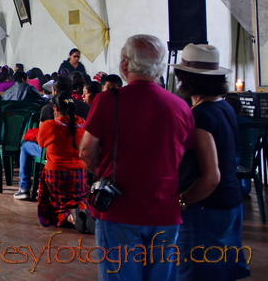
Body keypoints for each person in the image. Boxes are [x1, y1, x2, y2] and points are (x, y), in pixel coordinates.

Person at [79, 34, 195, 281]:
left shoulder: (109, 100)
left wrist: (102, 174)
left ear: (124, 65)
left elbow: (86, 151)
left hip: (119, 207)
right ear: (161, 68)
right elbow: (184, 154)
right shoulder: (180, 106)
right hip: (165, 208)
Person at [173, 44, 247, 281]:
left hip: (206, 209)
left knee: (198, 273)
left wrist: (182, 201)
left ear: (186, 79)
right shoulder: (223, 107)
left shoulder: (201, 116)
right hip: (230, 203)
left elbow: (210, 177)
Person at [36, 93, 89, 228]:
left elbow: (41, 142)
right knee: (78, 198)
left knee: (57, 203)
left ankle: (70, 217)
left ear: (55, 108)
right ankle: (83, 213)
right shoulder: (83, 124)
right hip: (79, 172)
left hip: (56, 172)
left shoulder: (50, 125)